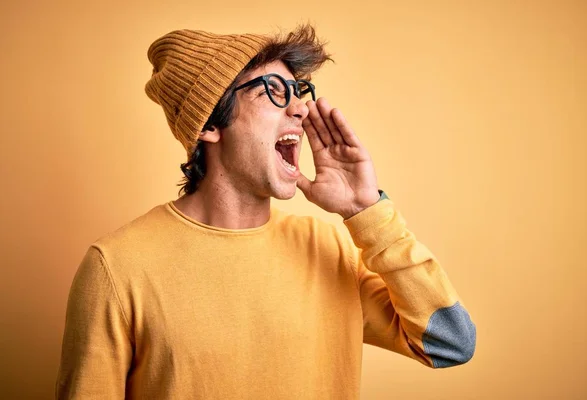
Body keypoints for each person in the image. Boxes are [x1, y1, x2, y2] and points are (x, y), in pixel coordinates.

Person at [55, 24, 476, 399]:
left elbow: (449, 343)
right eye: (274, 90)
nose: (299, 109)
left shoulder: (330, 249)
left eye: (299, 93)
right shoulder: (117, 266)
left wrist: (366, 210)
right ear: (209, 125)